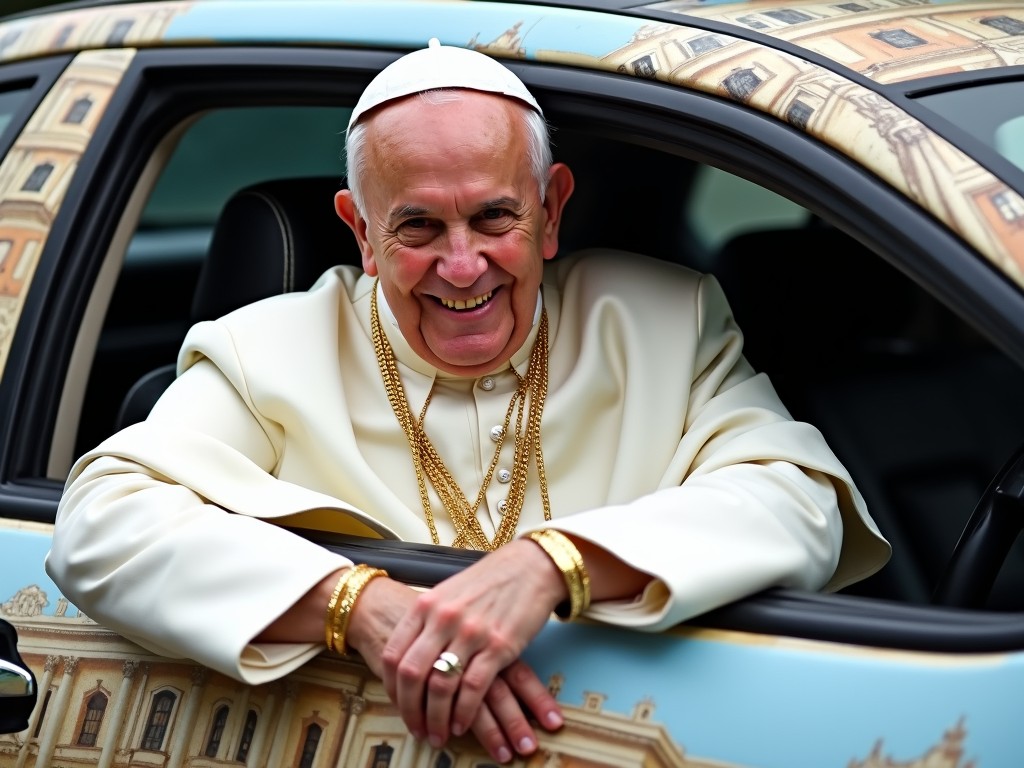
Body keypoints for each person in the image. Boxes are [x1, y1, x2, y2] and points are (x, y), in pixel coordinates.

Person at [46, 39, 890, 765]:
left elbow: (801, 501)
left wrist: (550, 565)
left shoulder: (665, 319)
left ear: (552, 210)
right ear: (360, 232)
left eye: (495, 218)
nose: (462, 266)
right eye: (417, 228)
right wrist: (362, 608)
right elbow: (100, 521)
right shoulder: (264, 349)